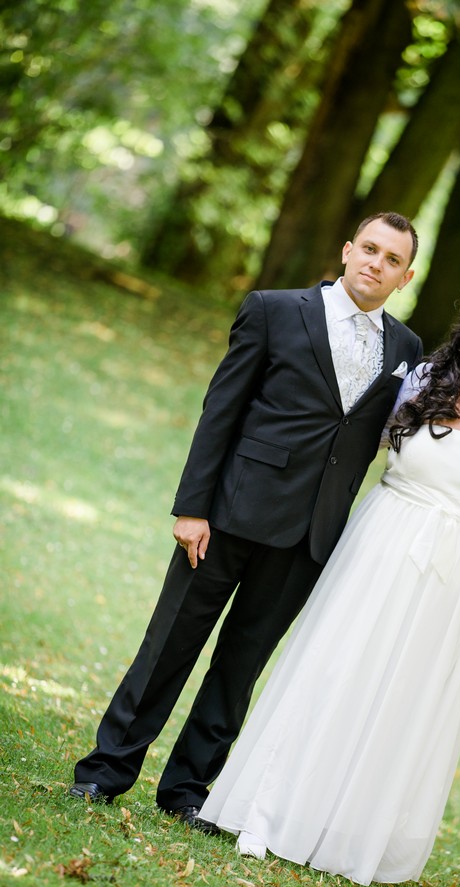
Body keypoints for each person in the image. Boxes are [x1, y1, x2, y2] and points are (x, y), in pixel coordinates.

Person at [197, 275, 460, 884]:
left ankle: (352, 832)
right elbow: (351, 443)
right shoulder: (424, 383)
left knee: (408, 695)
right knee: (337, 667)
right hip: (382, 544)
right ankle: (270, 808)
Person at [69, 212, 423, 831]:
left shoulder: (406, 350)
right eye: (369, 248)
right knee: (168, 648)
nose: (376, 263)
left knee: (241, 669)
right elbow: (220, 410)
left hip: (309, 535)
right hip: (229, 514)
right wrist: (191, 508)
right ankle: (105, 771)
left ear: (404, 276)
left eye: (392, 259)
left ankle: (187, 789)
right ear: (347, 250)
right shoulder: (272, 310)